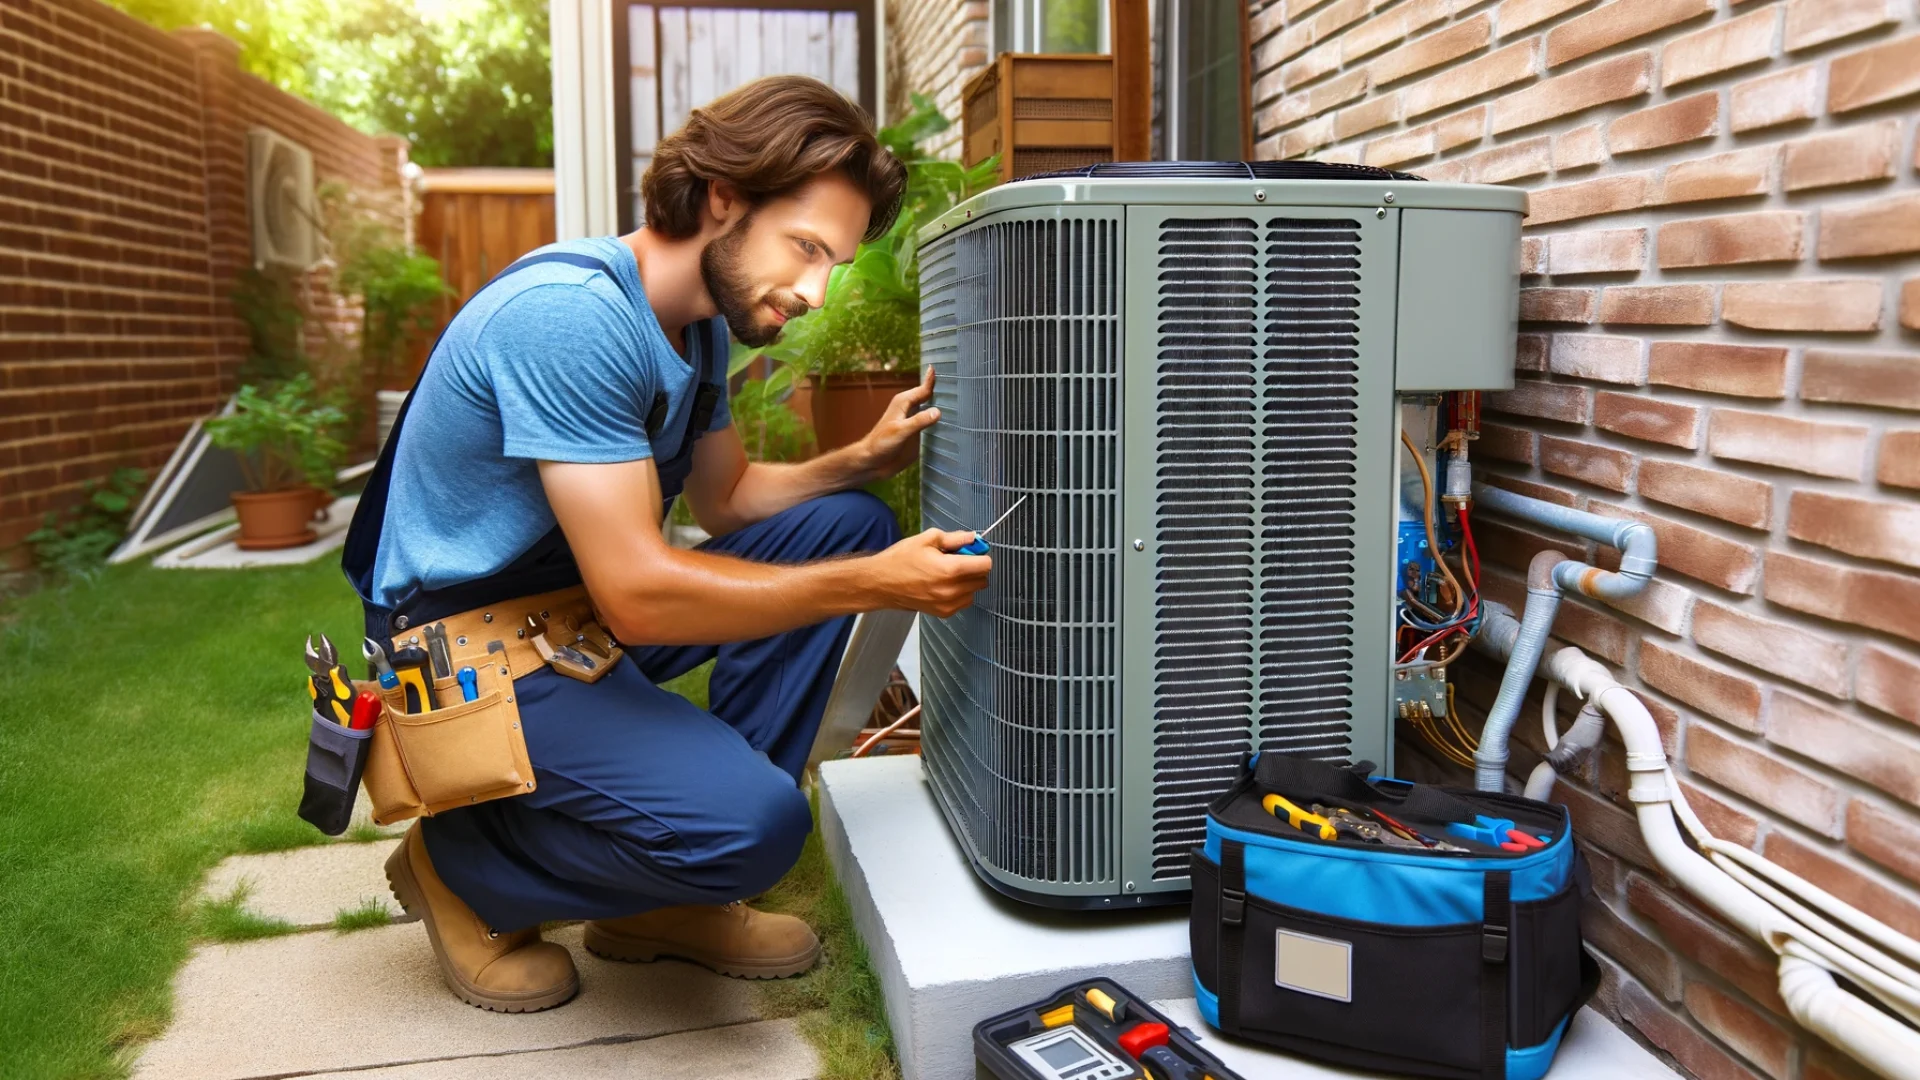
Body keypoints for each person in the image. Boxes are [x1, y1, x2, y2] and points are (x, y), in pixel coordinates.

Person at [342, 76, 993, 1012]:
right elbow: (641, 598)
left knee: (847, 523)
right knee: (760, 826)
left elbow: (727, 502)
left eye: (834, 264)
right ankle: (463, 863)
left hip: (573, 607)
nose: (814, 292)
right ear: (724, 199)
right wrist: (874, 584)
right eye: (806, 248)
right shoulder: (574, 319)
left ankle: (662, 892)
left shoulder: (697, 331)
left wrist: (855, 461)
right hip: (461, 641)